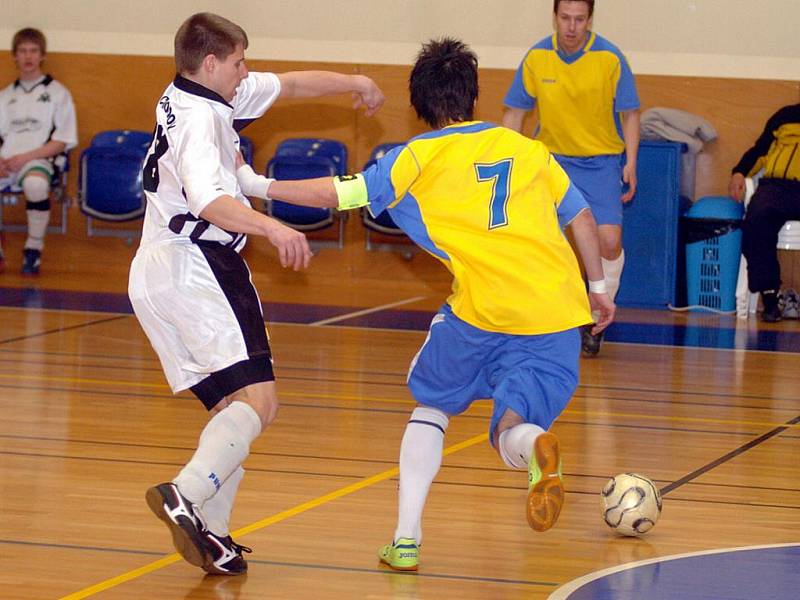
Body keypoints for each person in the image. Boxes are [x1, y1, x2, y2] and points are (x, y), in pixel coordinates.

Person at [250, 37, 615, 571]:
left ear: (419, 107)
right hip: (557, 311)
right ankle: (533, 442)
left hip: (482, 311)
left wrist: (259, 183)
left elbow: (340, 194)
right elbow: (580, 217)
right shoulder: (528, 149)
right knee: (512, 422)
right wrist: (599, 290)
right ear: (473, 96)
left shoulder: (417, 156)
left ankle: (405, 539)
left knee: (432, 407)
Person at [129, 12, 384, 576]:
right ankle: (186, 494)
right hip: (199, 263)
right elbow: (208, 200)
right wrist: (272, 227)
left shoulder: (196, 94)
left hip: (155, 270)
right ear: (212, 63)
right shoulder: (200, 119)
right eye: (239, 62)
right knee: (261, 401)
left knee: (232, 410)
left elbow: (289, 85)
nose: (247, 72)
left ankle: (212, 534)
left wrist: (354, 83)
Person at [501, 0, 639, 357]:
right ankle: (540, 321)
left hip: (601, 163)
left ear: (590, 19)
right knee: (540, 243)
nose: (572, 26)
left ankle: (595, 317)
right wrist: (507, 161)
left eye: (579, 19)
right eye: (565, 18)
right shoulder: (537, 57)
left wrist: (632, 161)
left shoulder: (610, 58)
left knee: (608, 240)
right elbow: (515, 113)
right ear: (555, 17)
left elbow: (630, 113)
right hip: (551, 162)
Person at [0, 27, 77, 275]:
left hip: (39, 161)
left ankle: (33, 250)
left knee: (35, 185)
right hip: (6, 162)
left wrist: (24, 157)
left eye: (33, 51)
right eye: (22, 51)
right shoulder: (5, 96)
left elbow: (62, 141)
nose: (28, 57)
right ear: (14, 56)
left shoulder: (58, 93)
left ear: (42, 55)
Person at [729, 103, 800, 322]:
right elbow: (760, 150)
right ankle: (770, 299)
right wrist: (739, 172)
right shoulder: (785, 116)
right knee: (757, 220)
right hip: (776, 187)